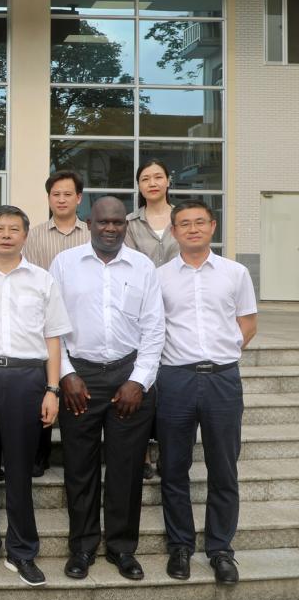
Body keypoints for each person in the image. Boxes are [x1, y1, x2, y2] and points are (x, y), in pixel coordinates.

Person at [50, 197, 164, 582]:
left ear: (125, 225)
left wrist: (138, 380)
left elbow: (154, 329)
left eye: (118, 222)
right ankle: (82, 548)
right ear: (89, 223)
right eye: (103, 222)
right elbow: (51, 325)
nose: (111, 228)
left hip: (129, 377)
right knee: (79, 468)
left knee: (126, 469)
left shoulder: (143, 267)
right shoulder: (65, 264)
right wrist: (66, 374)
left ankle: (121, 548)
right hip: (79, 380)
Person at [0, 206, 71, 587]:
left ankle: (23, 551)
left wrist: (52, 389)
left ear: (25, 236)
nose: (6, 235)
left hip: (27, 379)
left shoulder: (42, 280)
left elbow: (53, 338)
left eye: (13, 229)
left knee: (21, 470)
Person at [156, 199, 257, 586]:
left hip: (222, 380)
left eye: (200, 222)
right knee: (173, 467)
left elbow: (248, 323)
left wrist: (224, 351)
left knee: (224, 468)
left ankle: (220, 550)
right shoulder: (160, 277)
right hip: (175, 379)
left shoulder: (235, 273)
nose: (193, 229)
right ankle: (180, 546)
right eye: (185, 224)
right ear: (174, 231)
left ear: (213, 226)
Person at [23, 169, 89, 477]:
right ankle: (39, 455)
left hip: (81, 323)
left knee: (78, 387)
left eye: (67, 194)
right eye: (55, 194)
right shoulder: (34, 235)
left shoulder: (91, 234)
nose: (61, 199)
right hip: (43, 324)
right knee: (44, 387)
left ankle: (79, 455)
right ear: (48, 198)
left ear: (79, 198)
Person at [125, 159, 179, 479]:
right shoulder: (130, 223)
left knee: (170, 383)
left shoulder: (183, 218)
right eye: (146, 178)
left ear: (168, 181)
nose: (153, 182)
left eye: (158, 177)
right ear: (139, 186)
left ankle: (170, 453)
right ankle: (143, 453)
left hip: (177, 308)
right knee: (142, 379)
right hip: (140, 310)